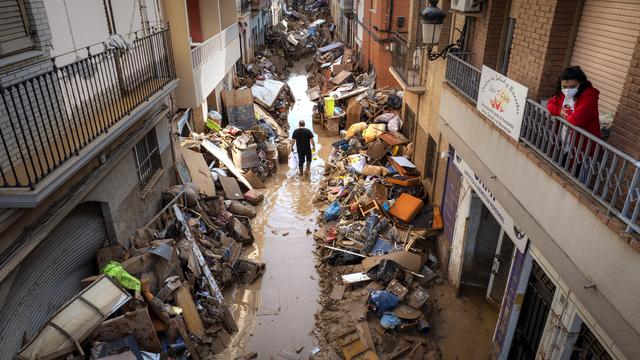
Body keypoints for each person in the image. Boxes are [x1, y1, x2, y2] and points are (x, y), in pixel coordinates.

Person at [546, 66, 601, 181]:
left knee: (577, 182)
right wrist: (560, 111)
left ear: (581, 83)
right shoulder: (562, 93)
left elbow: (575, 119)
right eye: (564, 87)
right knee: (560, 176)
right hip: (564, 144)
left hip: (584, 150)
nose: (567, 90)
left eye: (572, 87)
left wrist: (564, 114)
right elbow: (550, 104)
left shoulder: (589, 95)